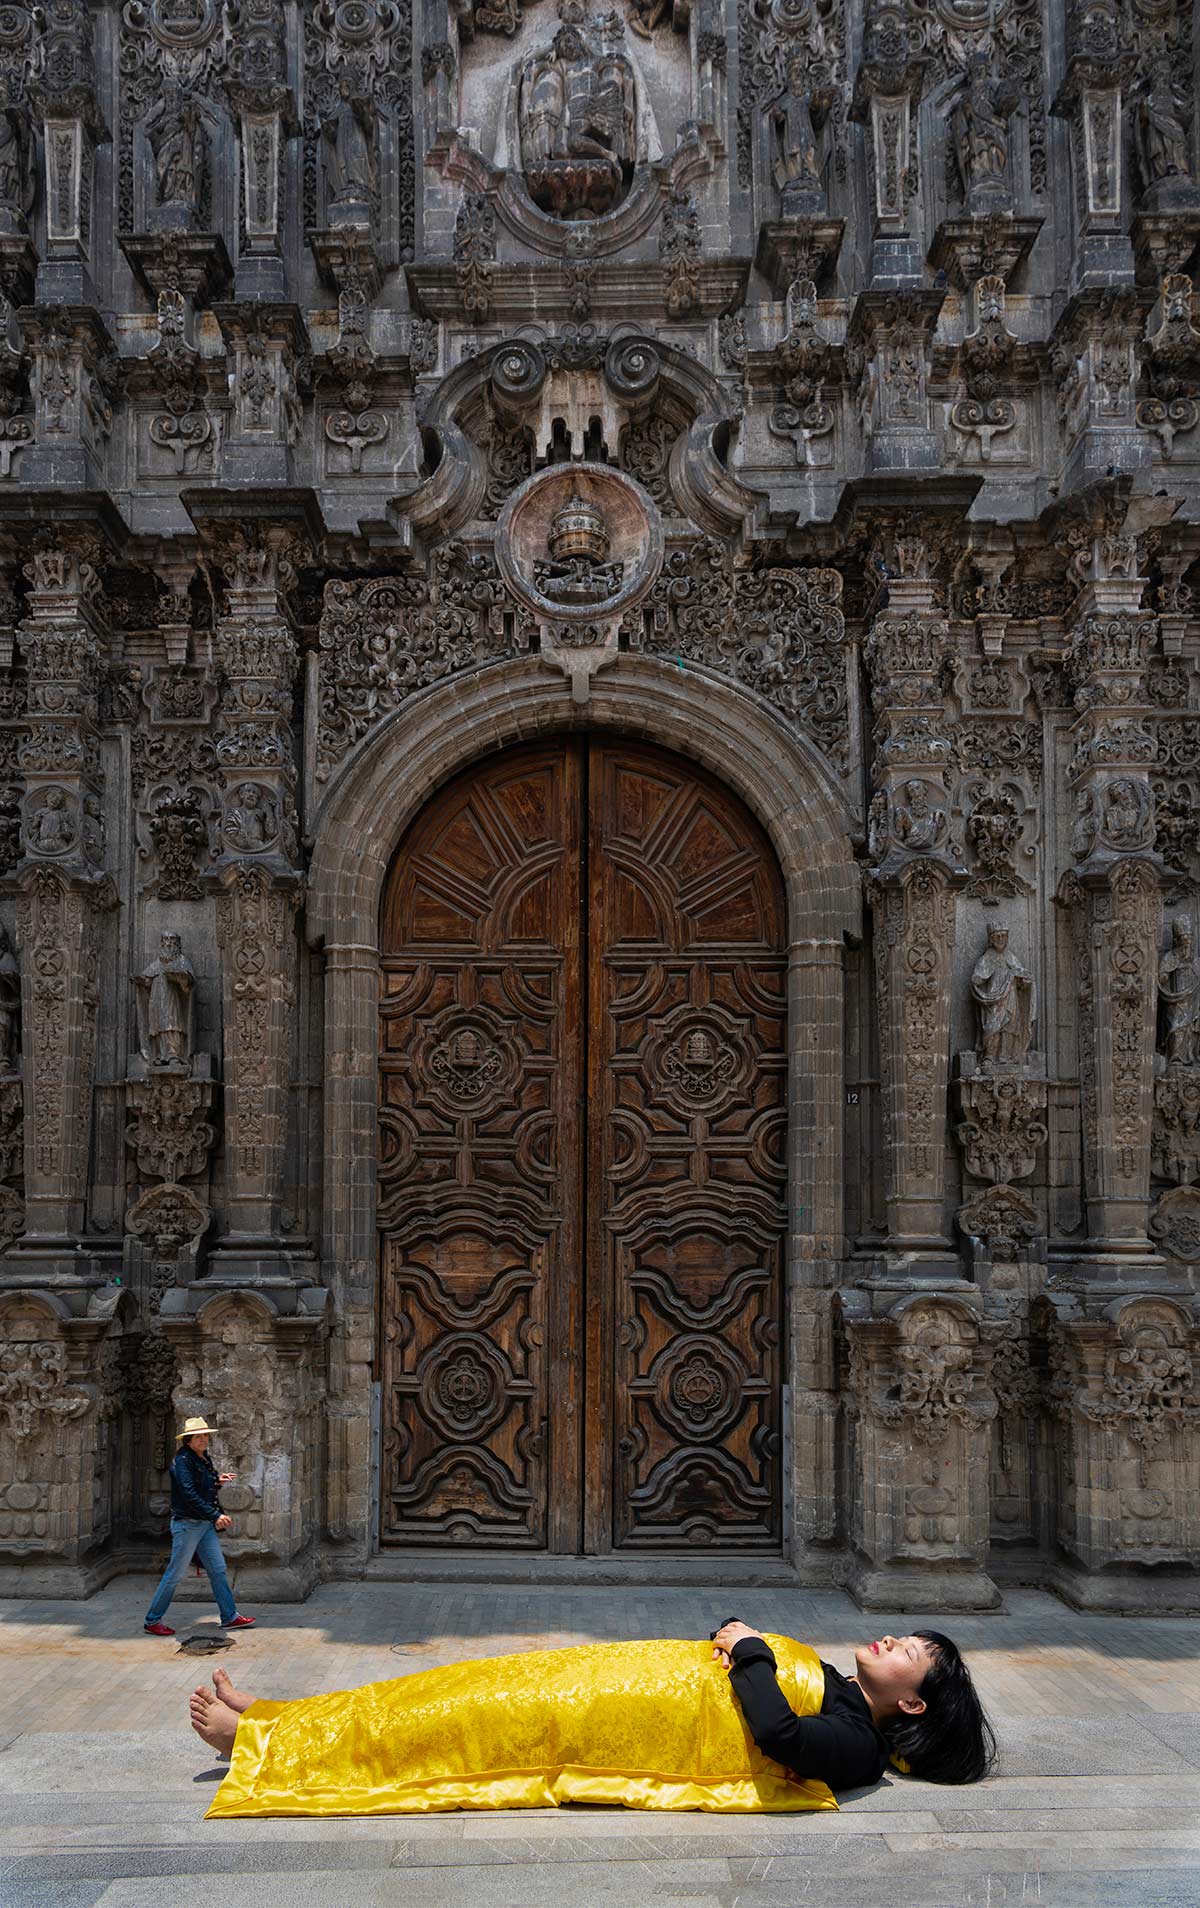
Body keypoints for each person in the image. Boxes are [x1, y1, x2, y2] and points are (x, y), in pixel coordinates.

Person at [189, 1616, 995, 1818]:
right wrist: (738, 1635)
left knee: (458, 1728)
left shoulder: (856, 1747)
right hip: (624, 1676)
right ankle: (287, 1718)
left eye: (909, 1651)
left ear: (913, 1700)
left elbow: (779, 1735)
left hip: (623, 1716)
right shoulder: (843, 1689)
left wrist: (748, 1651)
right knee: (453, 1687)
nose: (892, 1638)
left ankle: (263, 1746)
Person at [143, 1417, 256, 1637]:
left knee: (218, 1569)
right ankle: (152, 1620)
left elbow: (202, 1483)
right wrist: (215, 1515)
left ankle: (229, 1616)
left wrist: (217, 1481)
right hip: (187, 1525)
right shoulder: (182, 1461)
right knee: (174, 1574)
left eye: (205, 1435)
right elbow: (188, 1493)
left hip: (203, 1525)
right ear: (188, 1440)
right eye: (199, 1436)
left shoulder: (202, 1457)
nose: (204, 1439)